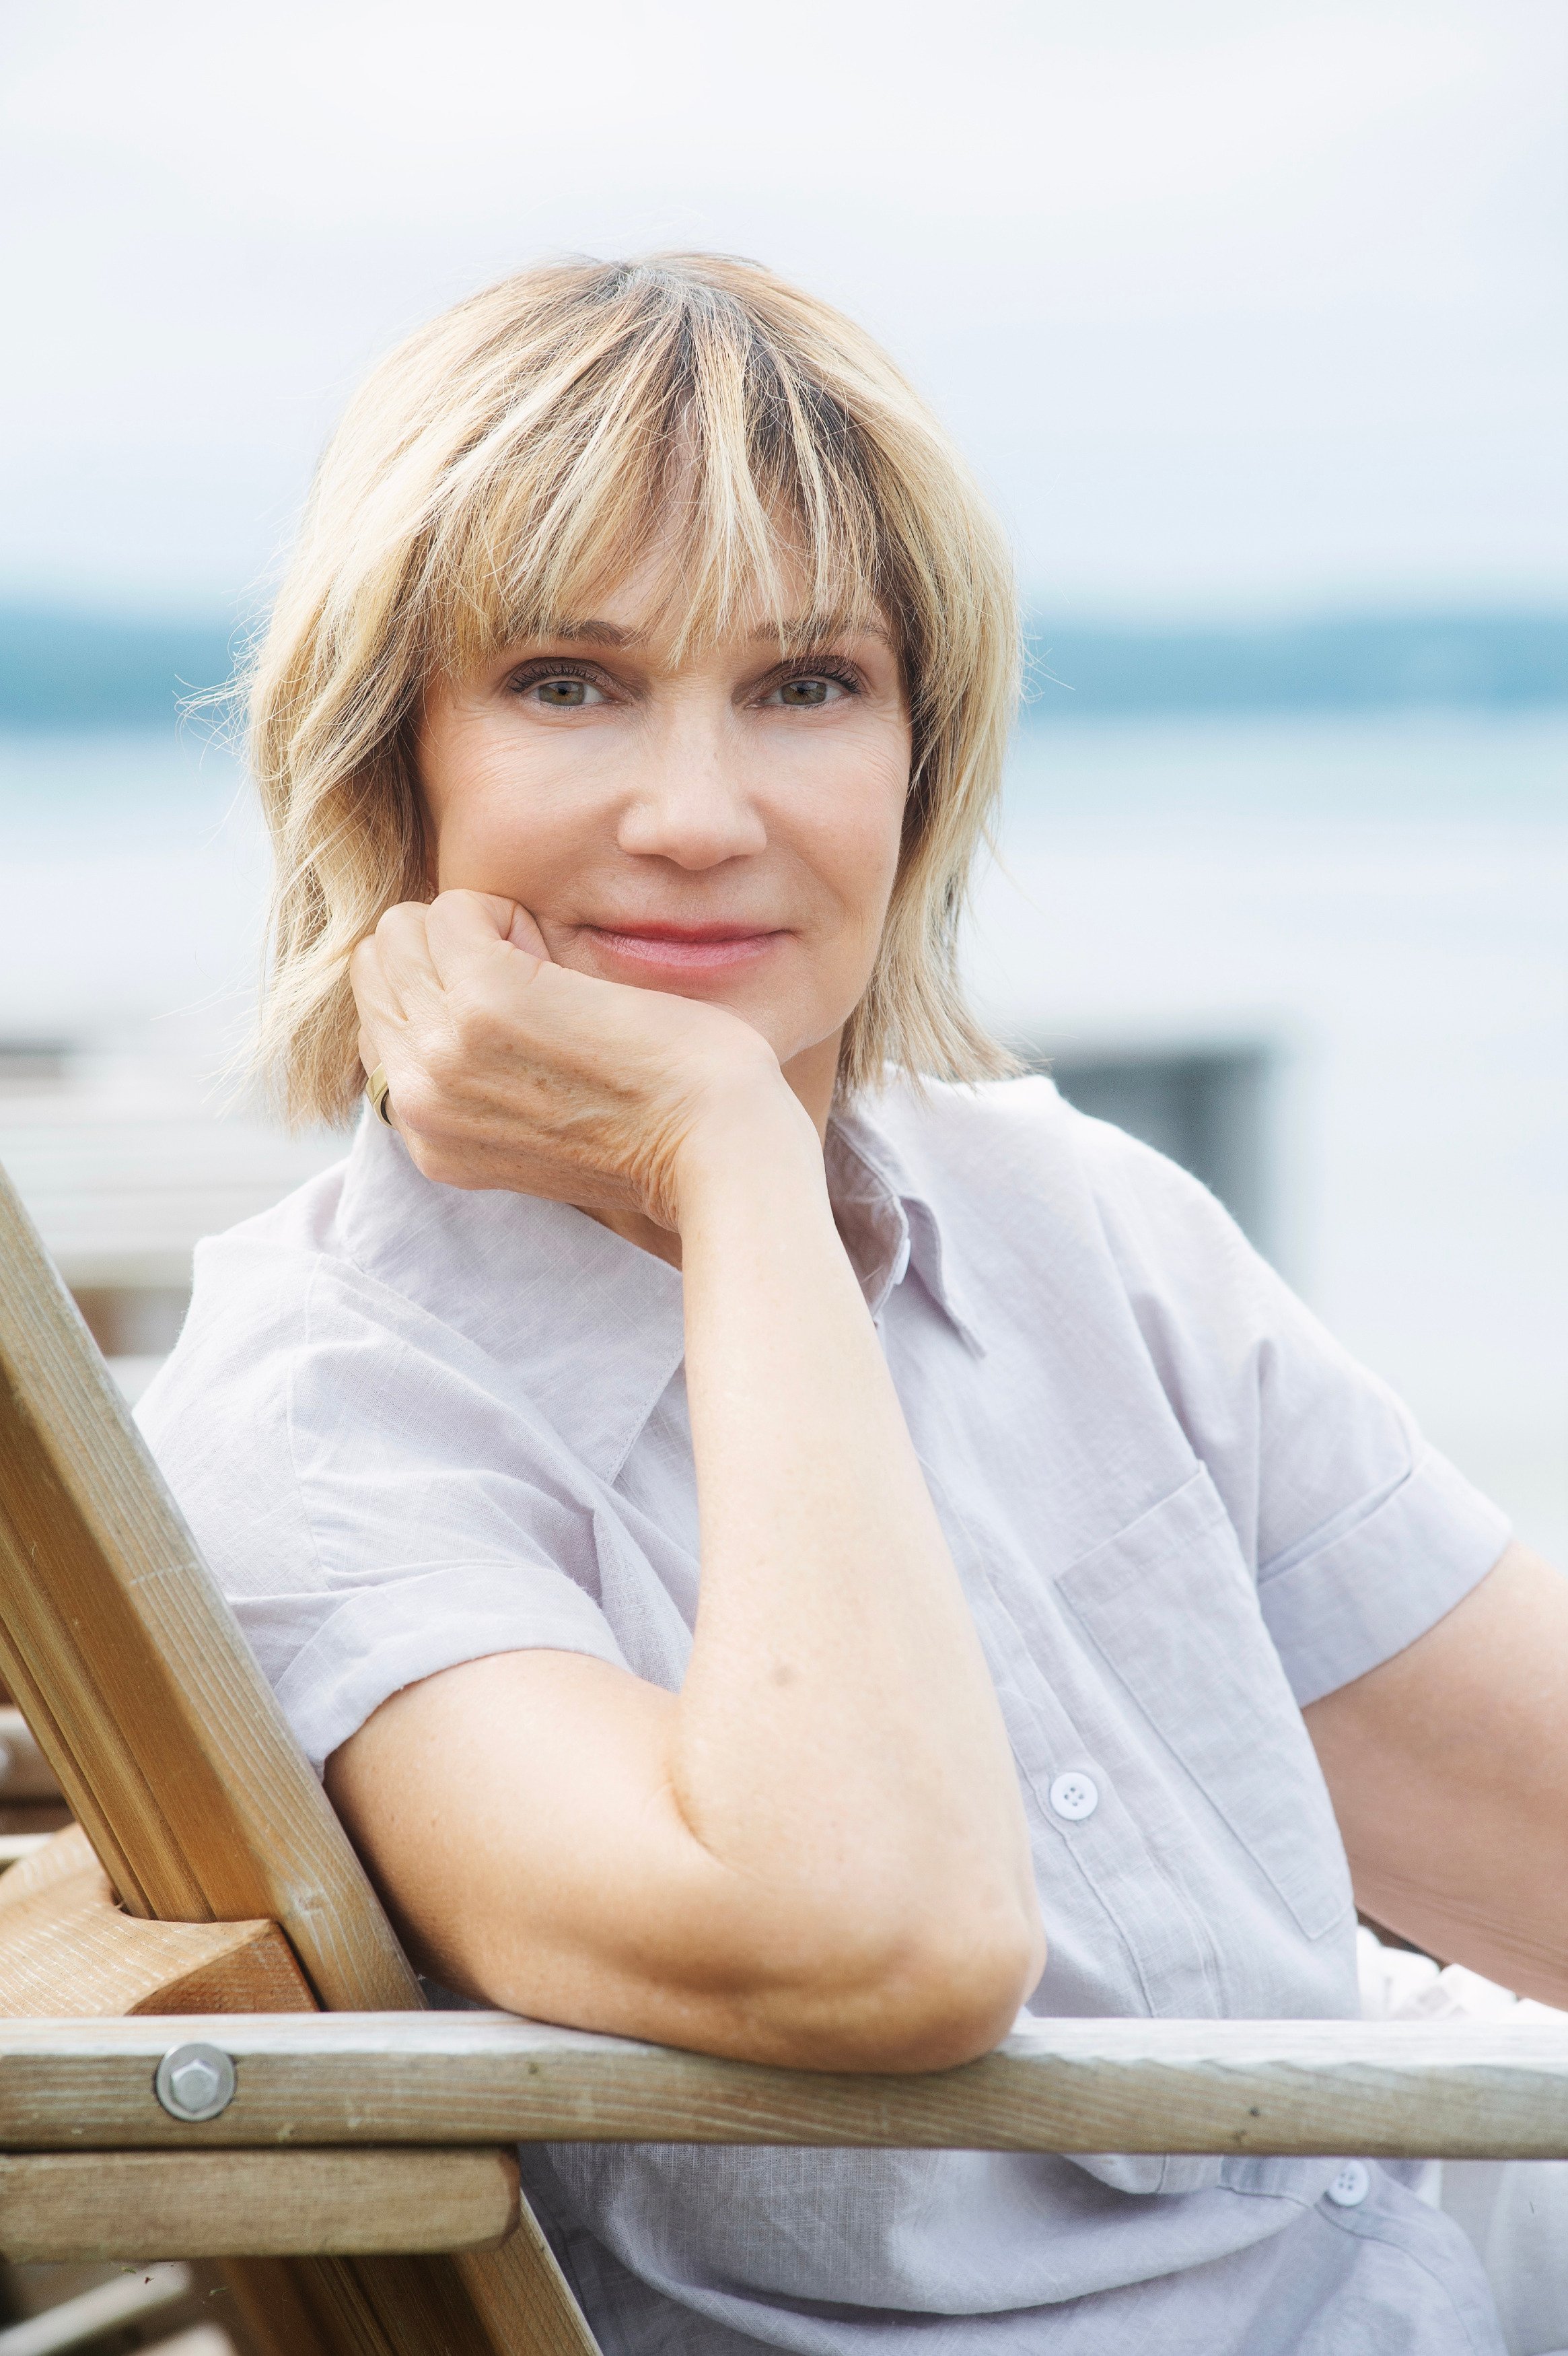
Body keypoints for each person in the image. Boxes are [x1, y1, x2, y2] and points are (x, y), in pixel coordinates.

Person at [139, 254, 1568, 2355]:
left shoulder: (1075, 1221)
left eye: (805, 683)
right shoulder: (328, 1429)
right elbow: (870, 1935)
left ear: (919, 755)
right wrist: (726, 1164)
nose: (700, 816)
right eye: (567, 680)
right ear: (389, 763)